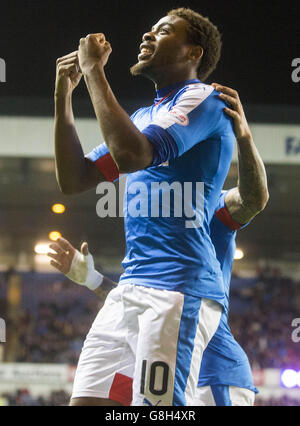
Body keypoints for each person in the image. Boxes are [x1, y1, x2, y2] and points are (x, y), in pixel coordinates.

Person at [54, 8, 236, 406]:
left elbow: (134, 154)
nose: (148, 36)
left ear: (193, 53)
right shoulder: (142, 117)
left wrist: (93, 72)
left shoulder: (202, 99)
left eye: (165, 31)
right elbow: (74, 179)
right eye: (150, 29)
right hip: (130, 288)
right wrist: (63, 97)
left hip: (177, 290)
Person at [49, 84, 269, 406]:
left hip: (214, 366)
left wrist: (245, 139)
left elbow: (253, 199)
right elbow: (150, 296)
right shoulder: (150, 219)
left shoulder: (216, 207)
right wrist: (92, 280)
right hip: (154, 345)